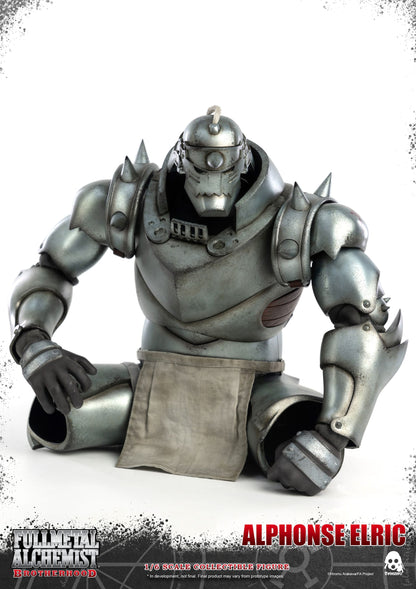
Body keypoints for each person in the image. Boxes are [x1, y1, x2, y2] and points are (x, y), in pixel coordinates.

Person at [9, 106, 407, 495]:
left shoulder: (303, 224)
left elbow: (365, 325)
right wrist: (34, 344)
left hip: (255, 395)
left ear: (243, 165)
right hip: (151, 381)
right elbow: (50, 268)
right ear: (182, 163)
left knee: (291, 437)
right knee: (57, 410)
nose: (211, 190)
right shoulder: (131, 201)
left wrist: (332, 436)